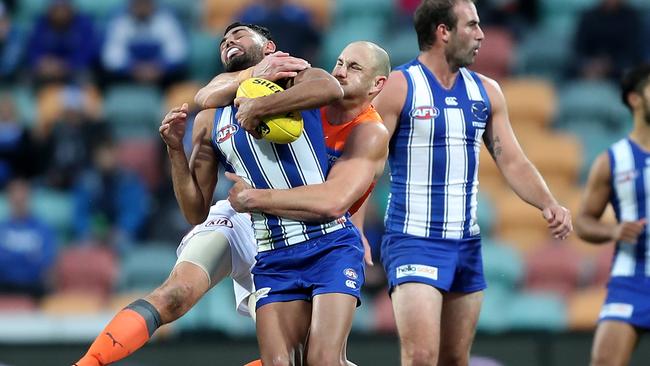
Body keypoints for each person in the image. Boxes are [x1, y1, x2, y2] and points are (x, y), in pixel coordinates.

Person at [74, 24, 389, 366]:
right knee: (176, 293)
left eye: (239, 35)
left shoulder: (299, 79)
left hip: (301, 223)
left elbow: (328, 94)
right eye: (223, 40)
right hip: (249, 221)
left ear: (270, 47)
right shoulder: (211, 115)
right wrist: (175, 150)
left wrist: (261, 107)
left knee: (311, 360)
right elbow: (194, 208)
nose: (228, 42)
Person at [371, 1, 573, 365]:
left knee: (455, 359)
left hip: (465, 243)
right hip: (412, 239)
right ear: (442, 32)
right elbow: (367, 164)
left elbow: (511, 157)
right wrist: (354, 227)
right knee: (420, 357)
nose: (482, 35)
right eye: (472, 25)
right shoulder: (400, 86)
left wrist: (549, 202)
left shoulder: (487, 91)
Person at [575, 63, 650, 366]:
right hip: (630, 278)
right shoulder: (612, 160)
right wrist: (614, 231)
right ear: (635, 98)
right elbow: (583, 221)